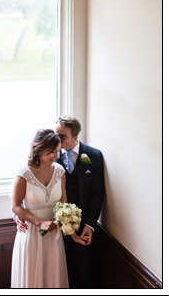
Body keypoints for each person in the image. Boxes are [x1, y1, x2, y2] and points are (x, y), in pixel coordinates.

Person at [15, 116, 105, 288]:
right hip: (41, 230)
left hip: (72, 226)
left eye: (62, 136)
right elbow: (21, 197)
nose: (57, 140)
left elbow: (97, 194)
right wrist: (17, 215)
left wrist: (88, 225)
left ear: (75, 138)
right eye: (56, 134)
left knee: (73, 276)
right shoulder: (48, 155)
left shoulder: (93, 156)